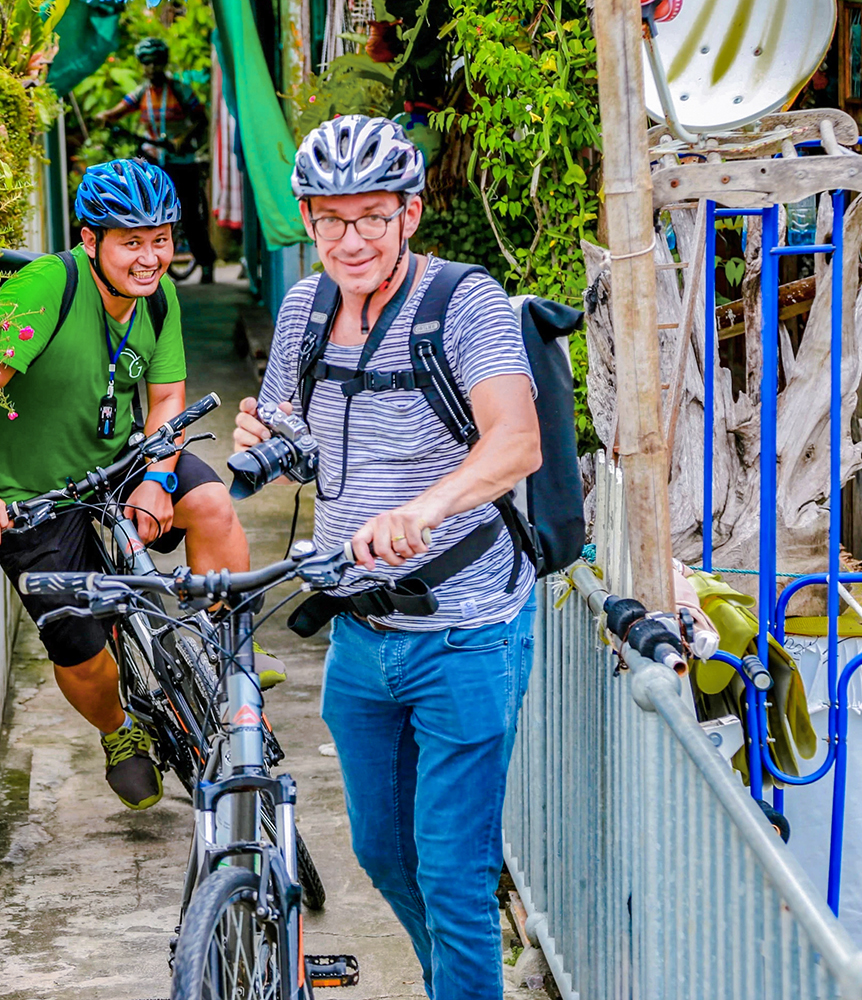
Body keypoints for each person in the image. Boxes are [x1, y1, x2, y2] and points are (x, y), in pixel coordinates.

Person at [232, 116, 543, 1000]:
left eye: (372, 217)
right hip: (359, 632)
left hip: (466, 631)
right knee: (380, 851)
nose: (350, 240)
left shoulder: (463, 301)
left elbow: (516, 443)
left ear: (409, 213)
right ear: (308, 218)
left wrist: (426, 507)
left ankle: (462, 978)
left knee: (452, 870)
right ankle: (457, 976)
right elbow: (297, 434)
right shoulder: (305, 306)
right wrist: (266, 437)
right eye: (330, 220)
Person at [0, 159, 249, 811]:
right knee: (84, 650)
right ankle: (120, 734)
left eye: (161, 239)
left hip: (119, 458)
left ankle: (227, 658)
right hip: (33, 492)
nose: (150, 258)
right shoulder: (44, 287)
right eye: (131, 241)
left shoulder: (159, 297)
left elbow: (167, 392)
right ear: (90, 241)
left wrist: (156, 475)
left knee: (208, 503)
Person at [97, 37, 216, 284]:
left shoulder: (179, 90)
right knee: (150, 215)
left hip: (181, 161)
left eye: (157, 63)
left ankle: (206, 263)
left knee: (190, 215)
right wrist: (105, 116)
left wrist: (184, 137)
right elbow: (118, 110)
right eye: (147, 64)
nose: (152, 69)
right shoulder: (142, 93)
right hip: (154, 162)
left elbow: (201, 119)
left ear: (164, 63)